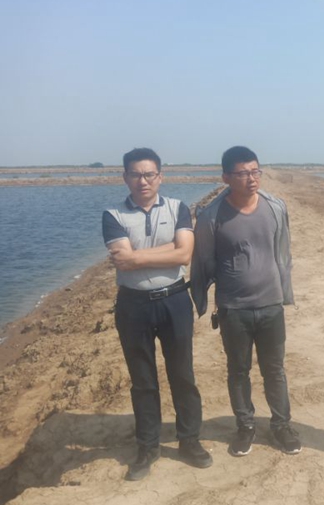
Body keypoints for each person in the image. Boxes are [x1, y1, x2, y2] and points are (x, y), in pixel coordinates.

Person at [103, 147, 212, 481]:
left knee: (183, 375)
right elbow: (123, 262)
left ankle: (189, 440)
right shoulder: (113, 215)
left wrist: (139, 256)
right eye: (136, 174)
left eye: (149, 174)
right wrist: (170, 250)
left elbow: (184, 256)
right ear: (125, 177)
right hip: (132, 305)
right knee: (143, 381)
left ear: (160, 176)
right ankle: (148, 447)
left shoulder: (178, 208)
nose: (143, 181)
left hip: (174, 300)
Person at [191, 146, 301, 457]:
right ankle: (245, 426)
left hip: (271, 305)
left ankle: (281, 425)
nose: (251, 178)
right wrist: (203, 300)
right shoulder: (211, 216)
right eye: (242, 173)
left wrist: (284, 291)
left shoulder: (275, 207)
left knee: (274, 370)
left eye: (255, 171)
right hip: (233, 309)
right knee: (238, 370)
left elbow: (283, 251)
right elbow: (203, 261)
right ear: (226, 177)